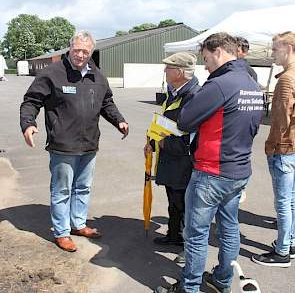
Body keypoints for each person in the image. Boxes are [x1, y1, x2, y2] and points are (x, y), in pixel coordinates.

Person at [155, 32, 263, 293]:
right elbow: (253, 126)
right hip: (238, 170)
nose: (204, 66)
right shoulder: (252, 84)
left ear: (218, 52)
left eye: (205, 58)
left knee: (196, 234)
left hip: (211, 172)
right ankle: (222, 279)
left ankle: (189, 287)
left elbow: (185, 120)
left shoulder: (220, 84)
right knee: (228, 228)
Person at [20, 30, 129, 252]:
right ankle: (61, 232)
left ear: (91, 52)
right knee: (62, 190)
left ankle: (78, 224)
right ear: (70, 48)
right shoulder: (53, 73)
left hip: (89, 143)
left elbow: (106, 102)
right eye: (77, 50)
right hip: (63, 145)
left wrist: (119, 121)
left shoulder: (97, 75)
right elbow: (31, 101)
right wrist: (28, 123)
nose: (80, 55)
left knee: (83, 187)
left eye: (85, 51)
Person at [144, 52, 200, 246]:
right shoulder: (174, 92)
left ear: (180, 72)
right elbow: (165, 123)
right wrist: (152, 142)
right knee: (174, 199)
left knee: (184, 203)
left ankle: (187, 244)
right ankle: (174, 234)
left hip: (183, 160)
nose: (164, 70)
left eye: (168, 67)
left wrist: (165, 144)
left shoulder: (194, 96)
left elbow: (192, 135)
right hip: (171, 157)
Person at [252, 31, 295, 268]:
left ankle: (281, 252)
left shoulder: (287, 79)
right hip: (293, 147)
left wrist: (273, 147)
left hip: (285, 148)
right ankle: (290, 243)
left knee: (283, 201)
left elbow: (280, 120)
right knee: (291, 200)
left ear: (288, 49)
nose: (272, 54)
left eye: (276, 49)